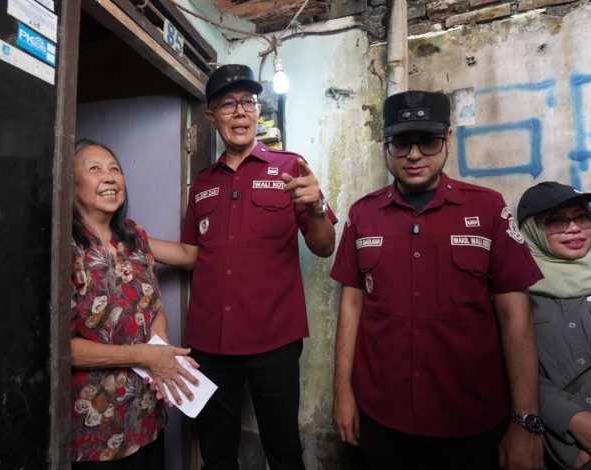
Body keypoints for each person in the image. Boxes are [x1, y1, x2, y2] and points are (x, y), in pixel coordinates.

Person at [330, 90, 546, 469]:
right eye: (401, 143)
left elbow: (516, 316)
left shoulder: (488, 208)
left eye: (428, 141)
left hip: (471, 421)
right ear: (385, 145)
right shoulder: (363, 214)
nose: (414, 155)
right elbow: (351, 305)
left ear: (447, 138)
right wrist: (342, 392)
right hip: (383, 416)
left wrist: (525, 420)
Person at [150, 64, 337, 469]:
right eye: (227, 104)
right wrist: (132, 238)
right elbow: (192, 254)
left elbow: (324, 247)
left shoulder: (291, 168)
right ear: (211, 115)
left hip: (274, 338)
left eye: (248, 102)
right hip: (210, 342)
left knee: (283, 449)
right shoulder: (202, 183)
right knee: (216, 452)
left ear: (256, 111)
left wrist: (317, 207)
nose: (240, 112)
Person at [70, 139, 199, 468]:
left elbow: (152, 306)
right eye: (95, 168)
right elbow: (60, 348)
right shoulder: (63, 248)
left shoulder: (134, 236)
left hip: (146, 414)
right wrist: (143, 355)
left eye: (115, 168)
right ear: (69, 183)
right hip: (94, 428)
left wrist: (162, 347)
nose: (110, 177)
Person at [517, 181, 591, 470]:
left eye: (582, 216)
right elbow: (507, 371)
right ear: (531, 229)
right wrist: (571, 420)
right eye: (557, 221)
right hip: (558, 450)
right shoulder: (512, 294)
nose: (574, 229)